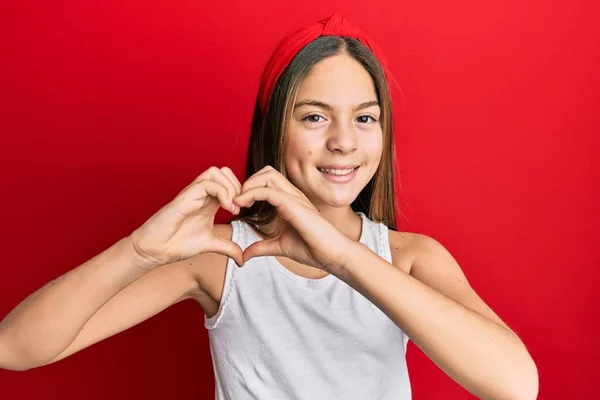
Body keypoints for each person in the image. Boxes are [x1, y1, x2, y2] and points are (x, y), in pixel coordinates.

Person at [0, 14, 538, 400]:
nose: (345, 142)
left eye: (365, 118)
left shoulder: (412, 259)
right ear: (273, 130)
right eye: (314, 117)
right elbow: (15, 348)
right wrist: (138, 251)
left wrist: (342, 257)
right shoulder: (221, 257)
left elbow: (517, 385)